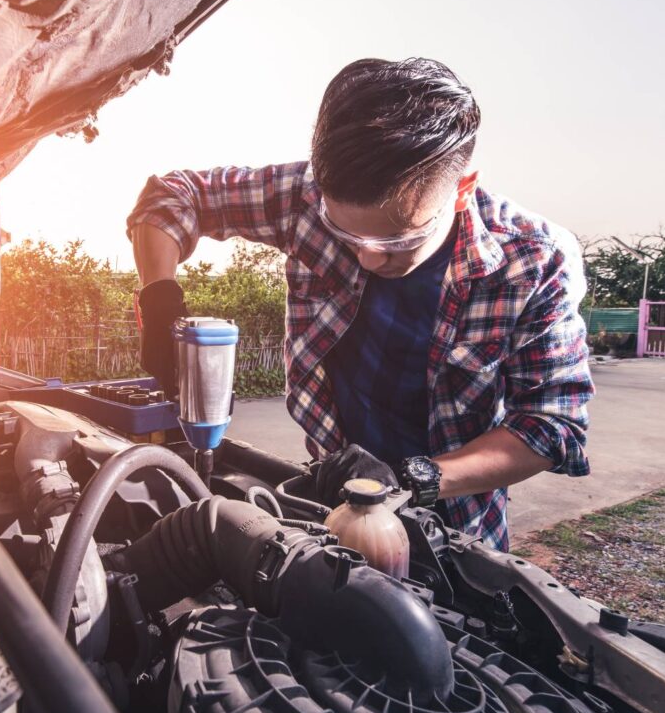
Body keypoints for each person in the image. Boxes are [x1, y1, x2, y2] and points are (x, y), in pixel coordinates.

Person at [126, 57, 594, 551]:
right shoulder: (302, 196)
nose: (367, 258)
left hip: (456, 534)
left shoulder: (533, 259)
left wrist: (411, 477)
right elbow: (174, 195)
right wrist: (160, 299)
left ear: (461, 190)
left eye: (396, 240)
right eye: (342, 232)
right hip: (329, 514)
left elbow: (550, 425)